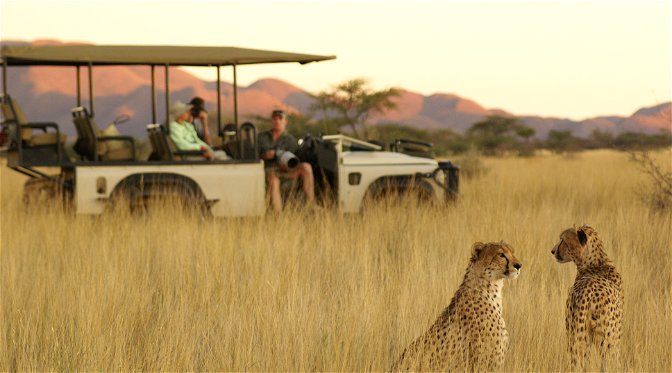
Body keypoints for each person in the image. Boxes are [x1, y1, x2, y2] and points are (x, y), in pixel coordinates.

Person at [258, 110, 315, 212]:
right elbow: (254, 155)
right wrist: (264, 155)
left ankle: (311, 204)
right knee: (273, 180)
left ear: (285, 122)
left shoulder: (290, 140)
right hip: (268, 170)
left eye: (280, 119)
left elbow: (294, 161)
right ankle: (278, 216)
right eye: (275, 118)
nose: (277, 121)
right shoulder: (262, 137)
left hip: (286, 170)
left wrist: (285, 164)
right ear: (271, 121)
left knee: (306, 167)